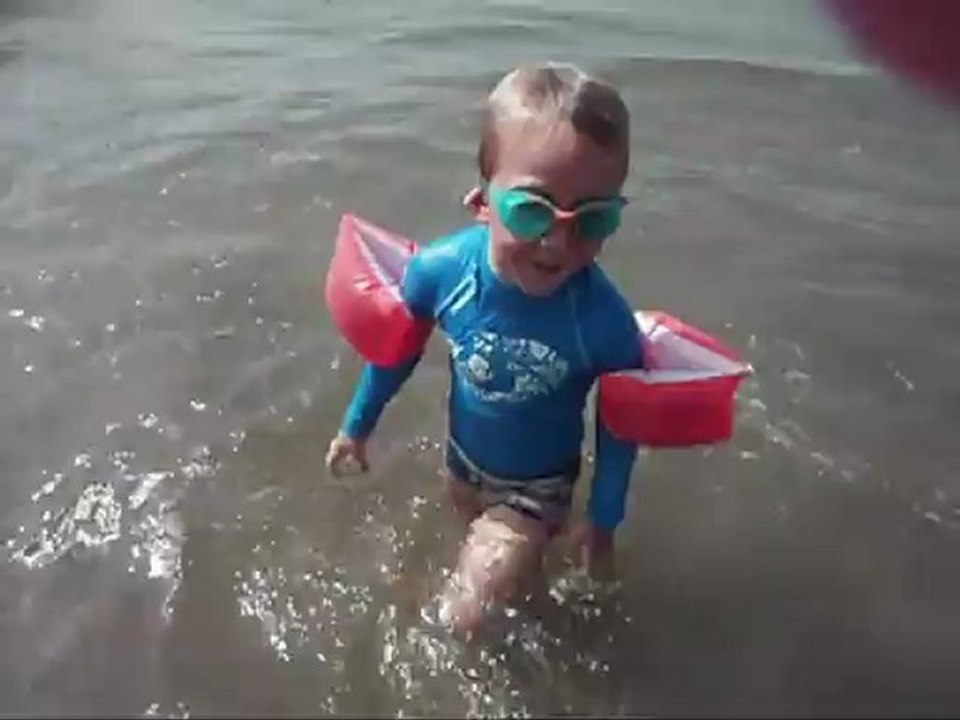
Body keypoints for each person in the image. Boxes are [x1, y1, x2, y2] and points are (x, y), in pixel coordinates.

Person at [325, 62, 643, 636]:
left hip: (540, 486)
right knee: (495, 572)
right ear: (481, 202)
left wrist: (604, 517)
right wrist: (357, 424)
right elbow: (398, 352)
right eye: (531, 210)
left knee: (464, 616)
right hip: (462, 465)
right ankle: (535, 601)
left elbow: (620, 424)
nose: (557, 240)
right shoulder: (441, 273)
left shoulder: (602, 320)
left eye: (592, 220)